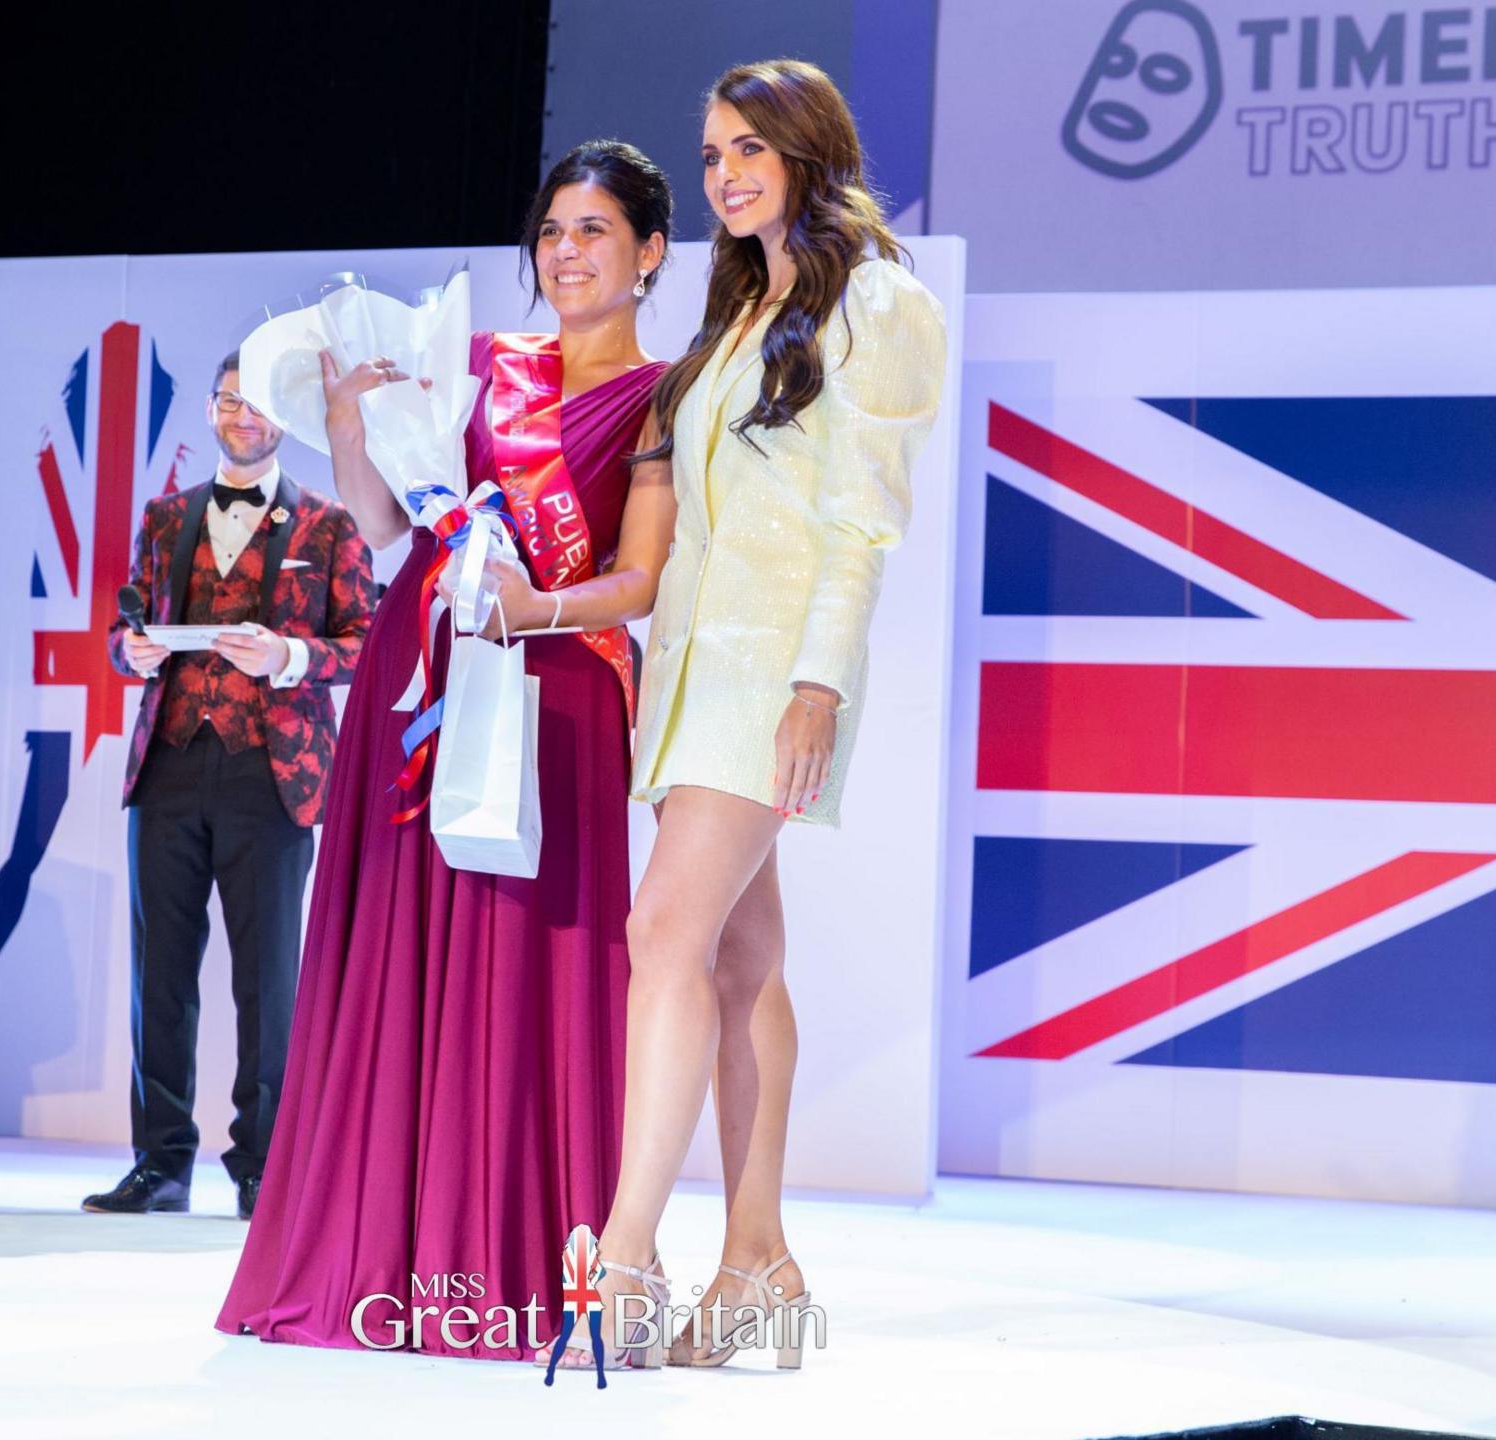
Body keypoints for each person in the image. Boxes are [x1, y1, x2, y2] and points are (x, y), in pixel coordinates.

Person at [217, 139, 676, 1361]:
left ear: (650, 253)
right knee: (397, 959)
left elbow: (637, 580)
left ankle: (528, 1266)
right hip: (420, 682)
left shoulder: (664, 397)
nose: (566, 253)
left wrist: (535, 612)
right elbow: (379, 524)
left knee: (538, 966)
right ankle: (364, 1257)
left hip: (557, 693)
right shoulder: (477, 365)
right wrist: (346, 423)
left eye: (592, 231)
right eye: (552, 231)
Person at [581, 59, 948, 1370]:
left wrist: (818, 686)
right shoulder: (743, 313)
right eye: (715, 151)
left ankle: (624, 1253)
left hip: (774, 678)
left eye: (751, 149)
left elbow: (860, 526)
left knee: (661, 935)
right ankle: (757, 1257)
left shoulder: (879, 303)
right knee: (737, 964)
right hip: (699, 675)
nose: (728, 173)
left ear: (809, 151)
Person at [81, 353, 376, 1218]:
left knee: (267, 978)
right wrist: (127, 649)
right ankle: (160, 1162)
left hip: (271, 773)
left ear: (287, 413)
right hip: (169, 765)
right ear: (211, 409)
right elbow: (130, 618)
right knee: (160, 975)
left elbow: (363, 644)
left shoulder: (328, 524)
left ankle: (264, 1168)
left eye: (260, 402)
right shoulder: (166, 514)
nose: (243, 416)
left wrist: (288, 655)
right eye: (229, 400)